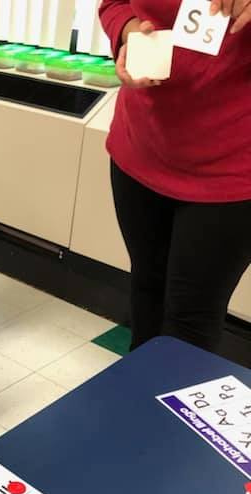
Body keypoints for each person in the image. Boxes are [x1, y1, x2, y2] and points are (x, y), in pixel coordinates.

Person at [99, 1, 251, 353]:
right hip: (141, 148)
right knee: (147, 293)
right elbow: (113, 5)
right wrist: (128, 32)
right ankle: (138, 399)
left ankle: (165, 405)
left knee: (190, 322)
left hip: (230, 171)